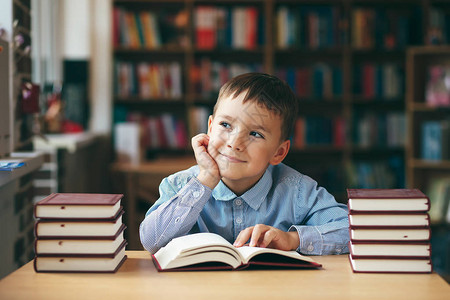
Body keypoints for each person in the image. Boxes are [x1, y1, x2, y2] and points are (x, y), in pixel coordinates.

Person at [139, 72, 349, 255]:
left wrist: (293, 239)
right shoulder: (180, 185)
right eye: (226, 125)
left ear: (279, 152)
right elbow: (151, 242)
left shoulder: (299, 192)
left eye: (255, 134)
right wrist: (206, 180)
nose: (234, 143)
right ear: (210, 128)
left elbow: (352, 230)